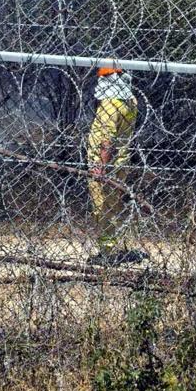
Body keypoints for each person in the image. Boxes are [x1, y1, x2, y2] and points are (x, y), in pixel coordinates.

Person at [86, 66, 146, 264]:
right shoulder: (130, 101)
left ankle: (108, 253)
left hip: (105, 164)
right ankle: (116, 246)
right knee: (114, 206)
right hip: (121, 162)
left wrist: (100, 167)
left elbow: (107, 140)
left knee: (102, 209)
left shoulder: (110, 104)